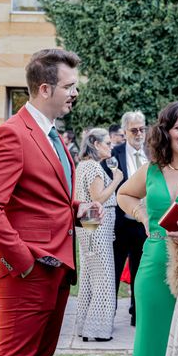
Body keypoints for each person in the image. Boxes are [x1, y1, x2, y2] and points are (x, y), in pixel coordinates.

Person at [0, 48, 103, 356]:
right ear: (45, 89)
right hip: (28, 273)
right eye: (69, 86)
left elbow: (49, 199)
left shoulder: (51, 134)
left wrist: (81, 211)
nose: (75, 93)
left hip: (57, 269)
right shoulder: (12, 134)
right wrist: (24, 262)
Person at [118, 101, 178, 356]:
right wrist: (142, 215)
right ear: (166, 131)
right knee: (152, 340)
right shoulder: (152, 169)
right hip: (154, 265)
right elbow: (124, 194)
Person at [74, 128, 123, 342]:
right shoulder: (93, 166)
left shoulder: (82, 165)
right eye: (108, 143)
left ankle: (84, 326)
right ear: (95, 144)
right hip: (96, 220)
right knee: (103, 275)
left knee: (88, 275)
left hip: (87, 221)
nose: (111, 147)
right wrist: (116, 180)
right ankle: (98, 330)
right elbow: (98, 199)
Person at [103, 111, 148, 327]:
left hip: (144, 224)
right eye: (134, 130)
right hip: (120, 223)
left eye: (142, 129)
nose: (139, 134)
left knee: (140, 273)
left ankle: (137, 314)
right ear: (125, 132)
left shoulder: (153, 153)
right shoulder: (115, 154)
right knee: (114, 269)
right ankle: (105, 316)